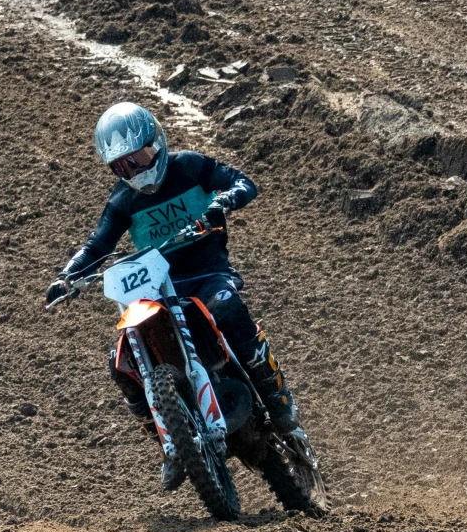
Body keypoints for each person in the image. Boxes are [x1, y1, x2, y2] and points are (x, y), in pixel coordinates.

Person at [45, 103, 299, 463]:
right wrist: (67, 277)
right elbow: (96, 246)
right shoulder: (122, 201)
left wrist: (224, 201)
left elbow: (244, 183)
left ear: (158, 142)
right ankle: (170, 446)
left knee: (226, 306)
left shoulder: (189, 166)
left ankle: (277, 397)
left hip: (208, 272)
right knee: (122, 360)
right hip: (159, 287)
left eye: (140, 157)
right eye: (123, 165)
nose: (135, 170)